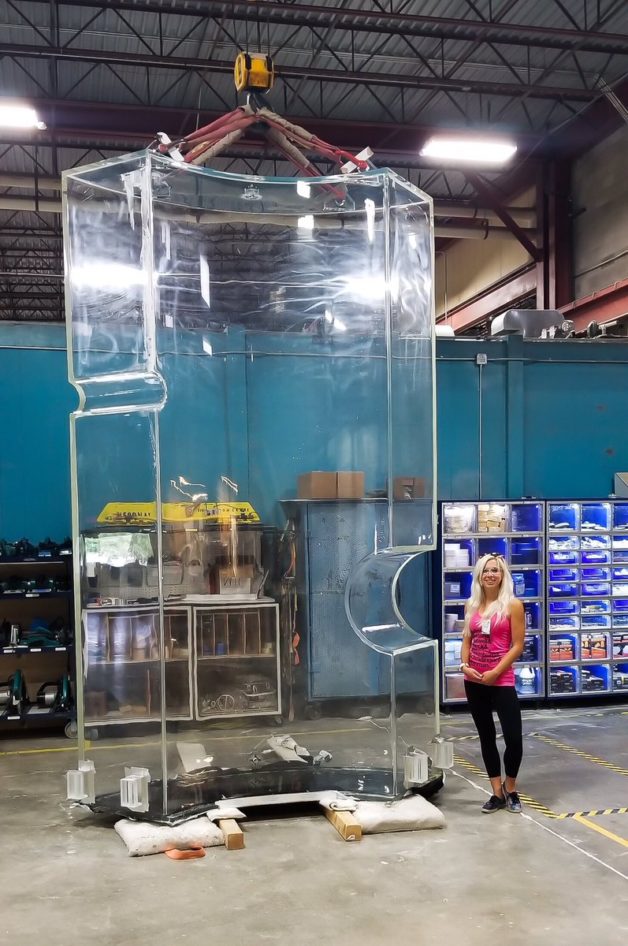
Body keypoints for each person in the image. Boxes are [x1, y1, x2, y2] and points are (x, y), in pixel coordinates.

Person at [459, 553, 525, 813]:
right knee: (486, 737)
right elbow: (466, 640)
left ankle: (511, 788)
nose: (490, 575)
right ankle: (496, 793)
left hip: (501, 679)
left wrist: (497, 671)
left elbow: (517, 645)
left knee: (514, 738)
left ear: (502, 575)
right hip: (474, 680)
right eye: (486, 570)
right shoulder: (471, 605)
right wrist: (465, 666)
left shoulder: (513, 605)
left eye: (495, 570)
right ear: (479, 574)